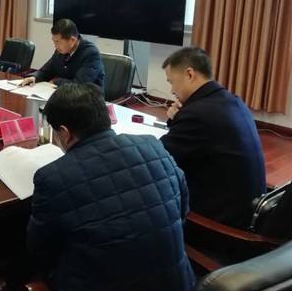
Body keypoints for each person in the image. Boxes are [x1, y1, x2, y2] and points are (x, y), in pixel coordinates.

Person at [27, 82, 194, 291]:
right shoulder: (154, 145)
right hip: (177, 282)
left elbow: (40, 248)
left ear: (65, 133)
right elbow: (182, 207)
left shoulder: (52, 177)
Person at [160, 46, 266, 229]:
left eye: (172, 82)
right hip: (248, 212)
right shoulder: (233, 101)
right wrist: (178, 118)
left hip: (220, 225)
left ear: (190, 74)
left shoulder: (197, 114)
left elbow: (159, 157)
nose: (172, 90)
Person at [20, 19, 104, 89]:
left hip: (89, 100)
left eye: (58, 42)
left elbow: (78, 85)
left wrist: (56, 81)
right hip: (65, 95)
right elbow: (46, 71)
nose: (55, 46)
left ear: (72, 40)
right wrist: (34, 77)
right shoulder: (60, 51)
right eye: (54, 42)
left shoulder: (91, 54)